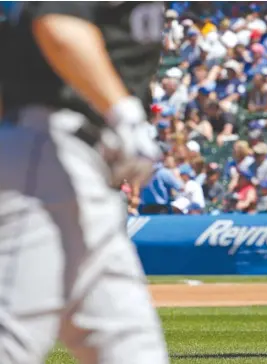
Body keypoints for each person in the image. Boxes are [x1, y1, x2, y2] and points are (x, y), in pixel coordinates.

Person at [0, 2, 170, 364]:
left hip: (86, 168)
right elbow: (57, 20)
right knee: (11, 341)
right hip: (49, 153)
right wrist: (123, 114)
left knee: (133, 350)